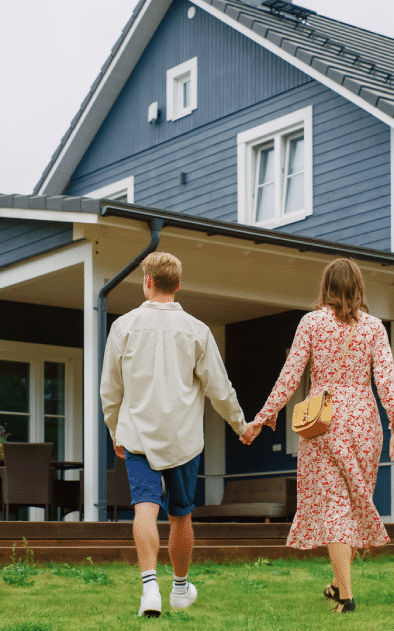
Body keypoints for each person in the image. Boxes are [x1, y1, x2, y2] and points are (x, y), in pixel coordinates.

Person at [241, 258, 394, 614]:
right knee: (352, 504)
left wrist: (262, 418)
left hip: (324, 420)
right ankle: (337, 583)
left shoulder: (312, 323)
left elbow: (290, 375)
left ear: (326, 286)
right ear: (359, 287)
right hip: (365, 421)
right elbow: (386, 380)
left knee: (335, 506)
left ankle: (346, 597)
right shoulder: (375, 328)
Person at [101, 252, 249, 618]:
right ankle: (180, 590)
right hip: (184, 440)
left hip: (137, 436)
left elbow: (110, 390)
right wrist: (241, 426)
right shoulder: (197, 330)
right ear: (178, 285)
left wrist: (114, 429)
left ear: (148, 281)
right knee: (181, 516)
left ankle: (150, 589)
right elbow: (220, 389)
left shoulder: (123, 327)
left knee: (145, 509)